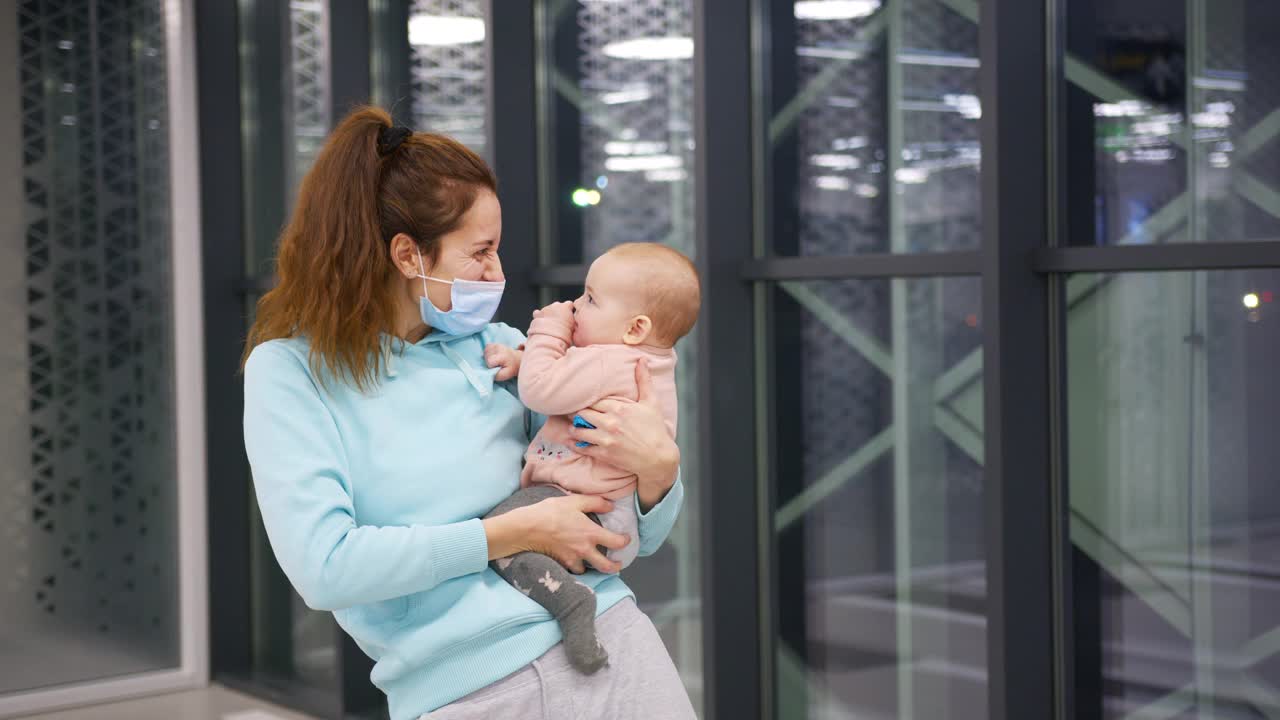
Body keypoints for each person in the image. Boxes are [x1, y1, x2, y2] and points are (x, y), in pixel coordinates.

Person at [240, 106, 697, 720]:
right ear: (408, 255)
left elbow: (631, 535)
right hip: (465, 694)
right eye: (480, 252)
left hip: (615, 653)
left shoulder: (499, 350)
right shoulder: (290, 372)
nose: (497, 273)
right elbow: (325, 569)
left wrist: (659, 471)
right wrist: (511, 533)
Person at [481, 243, 700, 674]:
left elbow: (541, 390)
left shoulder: (612, 360)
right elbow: (572, 379)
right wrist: (524, 359)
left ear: (635, 328)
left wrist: (548, 331)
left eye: (590, 299)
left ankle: (570, 604)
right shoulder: (639, 359)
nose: (575, 307)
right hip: (613, 517)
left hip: (590, 512)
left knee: (501, 539)